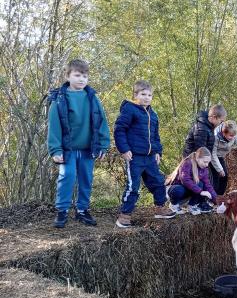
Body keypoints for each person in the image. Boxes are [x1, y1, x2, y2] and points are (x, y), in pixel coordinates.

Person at [47, 59, 110, 228]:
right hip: (67, 149)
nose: (81, 79)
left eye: (85, 76)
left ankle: (82, 210)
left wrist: (103, 145)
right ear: (68, 76)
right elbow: (54, 126)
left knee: (86, 178)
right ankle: (62, 211)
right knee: (66, 176)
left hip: (88, 149)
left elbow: (101, 122)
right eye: (77, 75)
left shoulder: (92, 98)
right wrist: (55, 149)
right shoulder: (59, 99)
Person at [114, 80, 175, 228]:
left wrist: (157, 151)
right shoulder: (130, 109)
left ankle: (160, 208)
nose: (147, 97)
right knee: (133, 186)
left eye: (149, 95)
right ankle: (125, 215)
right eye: (143, 94)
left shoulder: (153, 115)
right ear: (135, 95)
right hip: (134, 156)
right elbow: (119, 129)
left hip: (150, 157)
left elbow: (156, 136)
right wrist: (124, 149)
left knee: (158, 182)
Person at [166, 147, 217, 216]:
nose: (207, 164)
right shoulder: (187, 163)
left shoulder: (204, 169)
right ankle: (174, 204)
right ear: (198, 158)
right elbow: (185, 180)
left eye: (208, 162)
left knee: (201, 184)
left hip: (188, 192)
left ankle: (192, 205)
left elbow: (208, 185)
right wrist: (200, 191)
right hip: (176, 191)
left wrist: (217, 200)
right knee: (179, 190)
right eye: (205, 162)